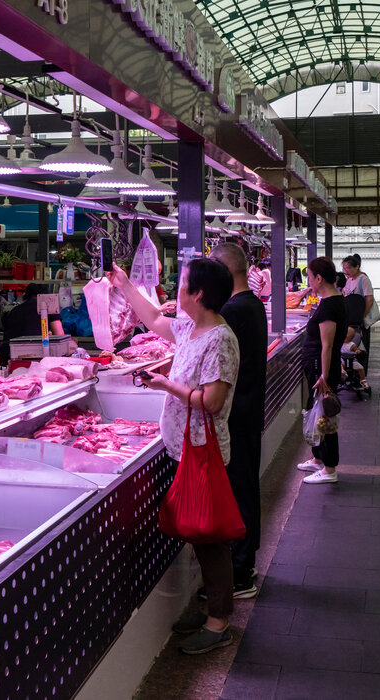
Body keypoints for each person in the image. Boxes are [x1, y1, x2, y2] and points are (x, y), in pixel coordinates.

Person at [109, 259, 239, 655]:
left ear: (197, 293)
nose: (176, 289)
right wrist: (124, 283)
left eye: (181, 283)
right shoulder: (189, 328)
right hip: (183, 448)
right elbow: (151, 318)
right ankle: (209, 609)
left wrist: (168, 385)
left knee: (210, 538)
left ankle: (219, 624)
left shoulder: (220, 338)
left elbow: (213, 402)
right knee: (198, 535)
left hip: (204, 452)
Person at [209, 243, 267, 599]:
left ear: (223, 271)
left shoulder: (234, 309)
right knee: (244, 487)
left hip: (238, 416)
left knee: (240, 490)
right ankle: (242, 565)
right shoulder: (251, 305)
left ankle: (242, 571)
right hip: (247, 412)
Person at [295, 257, 347, 485]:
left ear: (319, 278)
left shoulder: (330, 306)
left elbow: (327, 345)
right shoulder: (331, 299)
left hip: (321, 367)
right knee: (316, 411)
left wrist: (324, 377)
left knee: (325, 416)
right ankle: (318, 459)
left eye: (310, 276)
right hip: (319, 365)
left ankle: (330, 469)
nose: (308, 281)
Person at [341, 254, 376, 369]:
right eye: (344, 268)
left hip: (361, 320)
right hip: (351, 319)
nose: (346, 271)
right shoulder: (349, 279)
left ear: (357, 266)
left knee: (362, 348)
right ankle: (353, 371)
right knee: (352, 346)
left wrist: (362, 316)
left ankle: (362, 373)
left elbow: (369, 299)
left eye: (349, 268)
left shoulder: (363, 279)